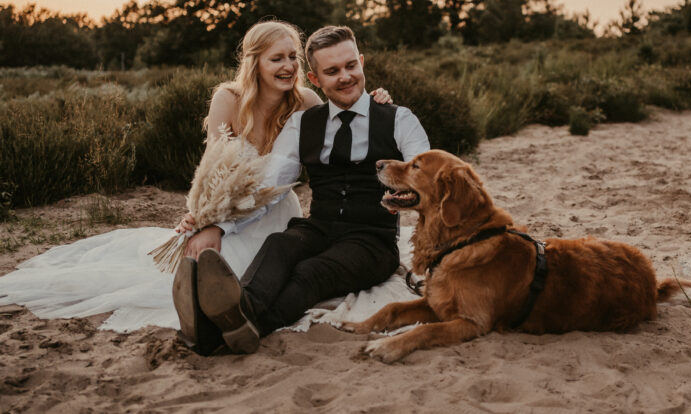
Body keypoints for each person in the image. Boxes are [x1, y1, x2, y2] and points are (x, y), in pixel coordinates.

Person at [0, 20, 392, 336]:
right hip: (230, 205)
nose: (287, 66)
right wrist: (203, 216)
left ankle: (235, 316)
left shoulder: (306, 103)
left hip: (274, 207)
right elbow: (213, 169)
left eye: (292, 56)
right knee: (197, 258)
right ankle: (223, 310)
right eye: (276, 58)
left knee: (270, 259)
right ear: (255, 62)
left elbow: (342, 127)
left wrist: (375, 105)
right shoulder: (229, 99)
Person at [174, 25, 430, 355]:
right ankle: (237, 315)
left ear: (362, 62)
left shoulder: (399, 120)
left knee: (309, 272)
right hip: (320, 227)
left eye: (351, 66)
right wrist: (219, 225)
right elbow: (271, 187)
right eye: (332, 71)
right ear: (314, 79)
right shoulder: (302, 123)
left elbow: (427, 178)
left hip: (371, 240)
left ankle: (221, 332)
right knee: (280, 244)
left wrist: (408, 196)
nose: (346, 77)